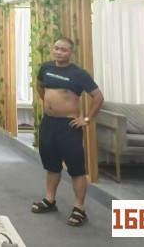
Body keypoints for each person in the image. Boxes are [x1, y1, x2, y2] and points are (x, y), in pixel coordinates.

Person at [31, 38, 104, 227]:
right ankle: (50, 200)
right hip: (48, 124)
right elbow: (39, 86)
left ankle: (79, 208)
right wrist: (50, 104)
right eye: (56, 48)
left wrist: (87, 119)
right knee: (51, 165)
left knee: (76, 169)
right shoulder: (46, 68)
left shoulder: (78, 74)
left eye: (63, 50)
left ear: (71, 53)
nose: (59, 52)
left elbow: (98, 97)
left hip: (69, 126)